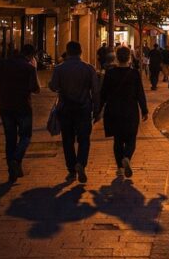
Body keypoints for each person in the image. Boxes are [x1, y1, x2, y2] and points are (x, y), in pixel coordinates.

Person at [49, 41, 100, 184]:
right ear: (80, 52)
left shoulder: (59, 69)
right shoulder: (89, 68)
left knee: (68, 140)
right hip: (84, 109)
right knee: (84, 139)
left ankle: (71, 170)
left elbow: (53, 86)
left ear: (67, 51)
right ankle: (81, 163)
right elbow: (95, 91)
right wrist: (97, 110)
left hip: (65, 109)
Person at [0, 43, 40, 182]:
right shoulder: (29, 68)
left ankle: (11, 172)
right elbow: (35, 89)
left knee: (10, 139)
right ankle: (16, 159)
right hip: (23, 106)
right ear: (30, 56)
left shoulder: (2, 64)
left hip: (5, 106)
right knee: (25, 136)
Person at [98, 46, 148, 178]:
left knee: (118, 140)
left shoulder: (110, 73)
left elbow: (103, 94)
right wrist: (144, 110)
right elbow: (140, 93)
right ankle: (127, 157)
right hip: (130, 110)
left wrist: (98, 110)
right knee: (131, 138)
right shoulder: (134, 74)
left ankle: (120, 168)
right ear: (129, 58)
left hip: (114, 110)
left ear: (116, 58)